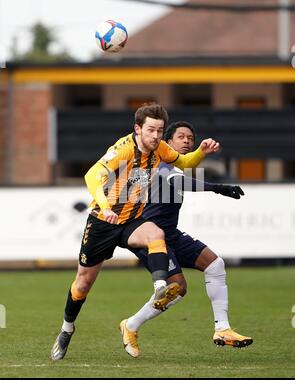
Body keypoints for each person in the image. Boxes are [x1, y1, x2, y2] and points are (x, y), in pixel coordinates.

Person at [51, 104, 220, 361]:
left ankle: (161, 286)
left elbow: (185, 162)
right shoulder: (124, 149)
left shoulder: (160, 148)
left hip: (131, 220)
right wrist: (106, 207)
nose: (155, 136)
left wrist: (201, 152)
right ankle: (66, 329)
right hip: (102, 222)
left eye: (160, 131)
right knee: (83, 284)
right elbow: (92, 175)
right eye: (150, 130)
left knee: (156, 234)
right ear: (138, 129)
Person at [120, 121, 253, 358]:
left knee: (215, 264)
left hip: (170, 234)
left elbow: (180, 171)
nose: (186, 141)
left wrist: (200, 151)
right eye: (180, 137)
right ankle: (131, 326)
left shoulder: (174, 165)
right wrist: (217, 187)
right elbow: (176, 181)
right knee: (178, 288)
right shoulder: (158, 163)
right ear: (167, 143)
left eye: (190, 138)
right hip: (150, 237)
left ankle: (222, 329)